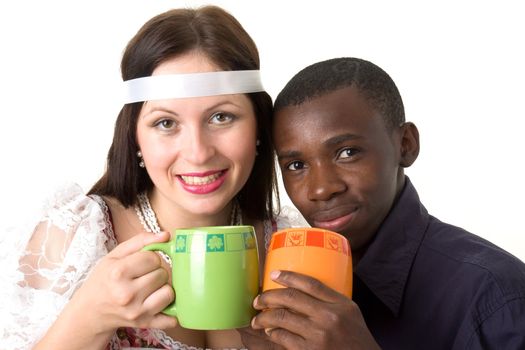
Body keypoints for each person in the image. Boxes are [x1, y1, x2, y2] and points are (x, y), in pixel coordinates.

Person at [0, 6, 304, 349]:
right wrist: (90, 316)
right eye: (166, 123)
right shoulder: (76, 238)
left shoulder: (290, 250)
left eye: (221, 117)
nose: (198, 153)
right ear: (135, 138)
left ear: (258, 128)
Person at [239, 57, 525, 349]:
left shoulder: (497, 296)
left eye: (347, 152)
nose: (322, 189)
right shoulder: (283, 282)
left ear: (406, 145)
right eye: (296, 165)